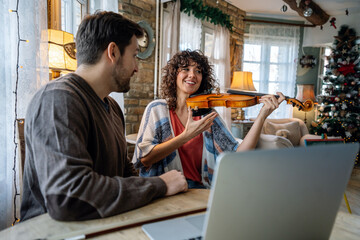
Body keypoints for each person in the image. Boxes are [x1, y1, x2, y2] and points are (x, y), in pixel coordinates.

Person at [20, 11, 187, 222]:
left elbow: (124, 172)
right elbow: (69, 198)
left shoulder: (113, 107)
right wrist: (160, 185)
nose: (137, 68)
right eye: (134, 55)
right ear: (113, 52)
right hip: (55, 232)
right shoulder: (57, 100)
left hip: (103, 224)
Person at [133, 50, 285, 189]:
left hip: (201, 191)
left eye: (198, 71)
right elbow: (145, 159)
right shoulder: (157, 109)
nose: (192, 75)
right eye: (186, 69)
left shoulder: (207, 114)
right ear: (174, 74)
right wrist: (186, 136)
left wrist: (262, 115)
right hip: (166, 190)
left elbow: (239, 154)